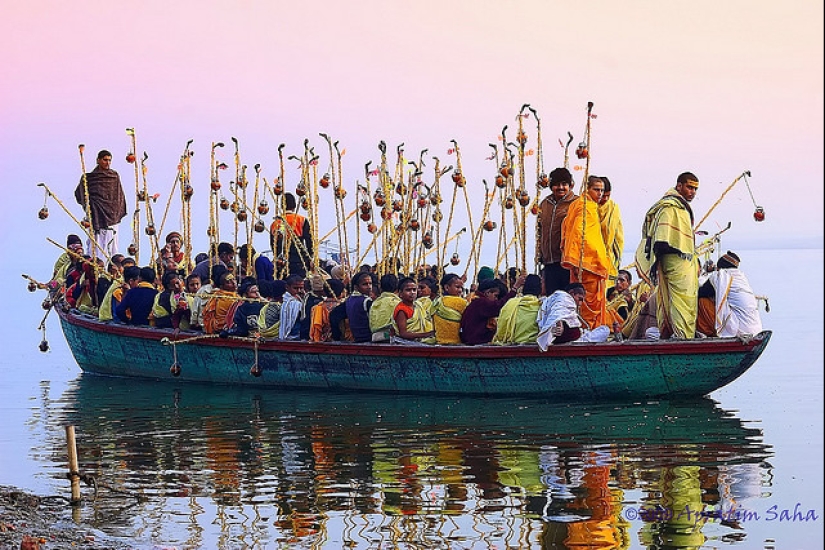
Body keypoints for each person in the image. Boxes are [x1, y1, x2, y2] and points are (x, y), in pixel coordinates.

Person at [635, 172, 700, 339]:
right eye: (689, 187)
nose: (692, 191)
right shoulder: (670, 207)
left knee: (686, 300)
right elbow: (661, 242)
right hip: (675, 264)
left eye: (695, 189)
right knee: (680, 301)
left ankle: (680, 335)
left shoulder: (680, 207)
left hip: (682, 263)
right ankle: (681, 337)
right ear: (679, 186)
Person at [561, 175, 612, 329]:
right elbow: (577, 233)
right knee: (587, 304)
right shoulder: (585, 207)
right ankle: (589, 331)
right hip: (588, 264)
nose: (600, 194)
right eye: (596, 190)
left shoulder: (584, 205)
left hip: (590, 263)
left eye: (602, 190)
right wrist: (578, 261)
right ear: (587, 189)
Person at [74, 150, 127, 258]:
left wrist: (115, 210)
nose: (107, 163)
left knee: (111, 243)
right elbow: (79, 193)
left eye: (109, 160)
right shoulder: (88, 178)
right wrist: (89, 205)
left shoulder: (114, 176)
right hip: (96, 214)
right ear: (98, 160)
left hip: (112, 216)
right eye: (105, 160)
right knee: (95, 243)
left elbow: (119, 196)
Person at [697, 251, 763, 337]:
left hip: (738, 330)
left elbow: (701, 292)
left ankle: (711, 334)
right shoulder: (741, 277)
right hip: (755, 330)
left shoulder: (721, 276)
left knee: (702, 302)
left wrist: (702, 275)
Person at [537, 167, 578, 295]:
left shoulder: (577, 204)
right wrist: (540, 253)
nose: (560, 187)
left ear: (570, 185)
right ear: (550, 186)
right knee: (551, 299)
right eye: (556, 184)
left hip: (568, 263)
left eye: (564, 184)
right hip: (549, 262)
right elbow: (540, 231)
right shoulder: (545, 204)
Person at [536, 283, 610, 350]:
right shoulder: (563, 297)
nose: (580, 304)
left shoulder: (557, 299)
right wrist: (559, 324)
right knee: (605, 330)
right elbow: (557, 311)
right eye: (580, 299)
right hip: (575, 342)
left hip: (577, 338)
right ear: (571, 293)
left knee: (603, 329)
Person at [460, 277, 521, 345]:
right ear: (487, 293)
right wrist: (514, 288)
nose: (496, 299)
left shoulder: (476, 302)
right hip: (477, 344)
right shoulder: (481, 303)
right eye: (495, 295)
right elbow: (499, 306)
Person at [270, 192, 313, 278]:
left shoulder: (276, 223)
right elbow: (309, 241)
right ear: (294, 206)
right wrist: (310, 258)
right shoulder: (302, 220)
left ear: (282, 206)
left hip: (282, 263)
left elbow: (273, 245)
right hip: (299, 260)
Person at [493, 274, 542, 344]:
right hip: (534, 348)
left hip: (509, 347)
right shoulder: (542, 306)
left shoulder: (510, 303)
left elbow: (501, 329)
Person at [392, 277, 436, 343]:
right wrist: (425, 335)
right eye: (408, 290)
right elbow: (403, 333)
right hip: (406, 343)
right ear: (400, 294)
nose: (412, 292)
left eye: (414, 290)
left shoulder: (418, 305)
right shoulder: (401, 310)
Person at [597, 176, 624, 281]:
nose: (605, 199)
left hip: (608, 261)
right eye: (603, 196)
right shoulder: (587, 208)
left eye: (608, 196)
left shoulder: (613, 208)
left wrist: (617, 262)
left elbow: (618, 238)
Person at [431, 273, 468, 345]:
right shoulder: (461, 302)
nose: (460, 290)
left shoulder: (436, 301)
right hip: (456, 341)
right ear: (447, 287)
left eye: (461, 288)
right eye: (457, 287)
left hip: (439, 340)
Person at [310, 278, 346, 342]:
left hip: (322, 341)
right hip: (341, 341)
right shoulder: (342, 306)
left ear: (324, 292)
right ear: (341, 292)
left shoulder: (317, 307)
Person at [369, 273, 401, 342]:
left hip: (376, 339)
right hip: (393, 341)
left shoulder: (375, 303)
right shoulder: (399, 304)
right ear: (397, 287)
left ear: (380, 287)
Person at [279, 274, 306, 340]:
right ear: (287, 287)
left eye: (301, 288)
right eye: (295, 288)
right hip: (293, 336)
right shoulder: (290, 302)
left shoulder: (299, 299)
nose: (299, 291)